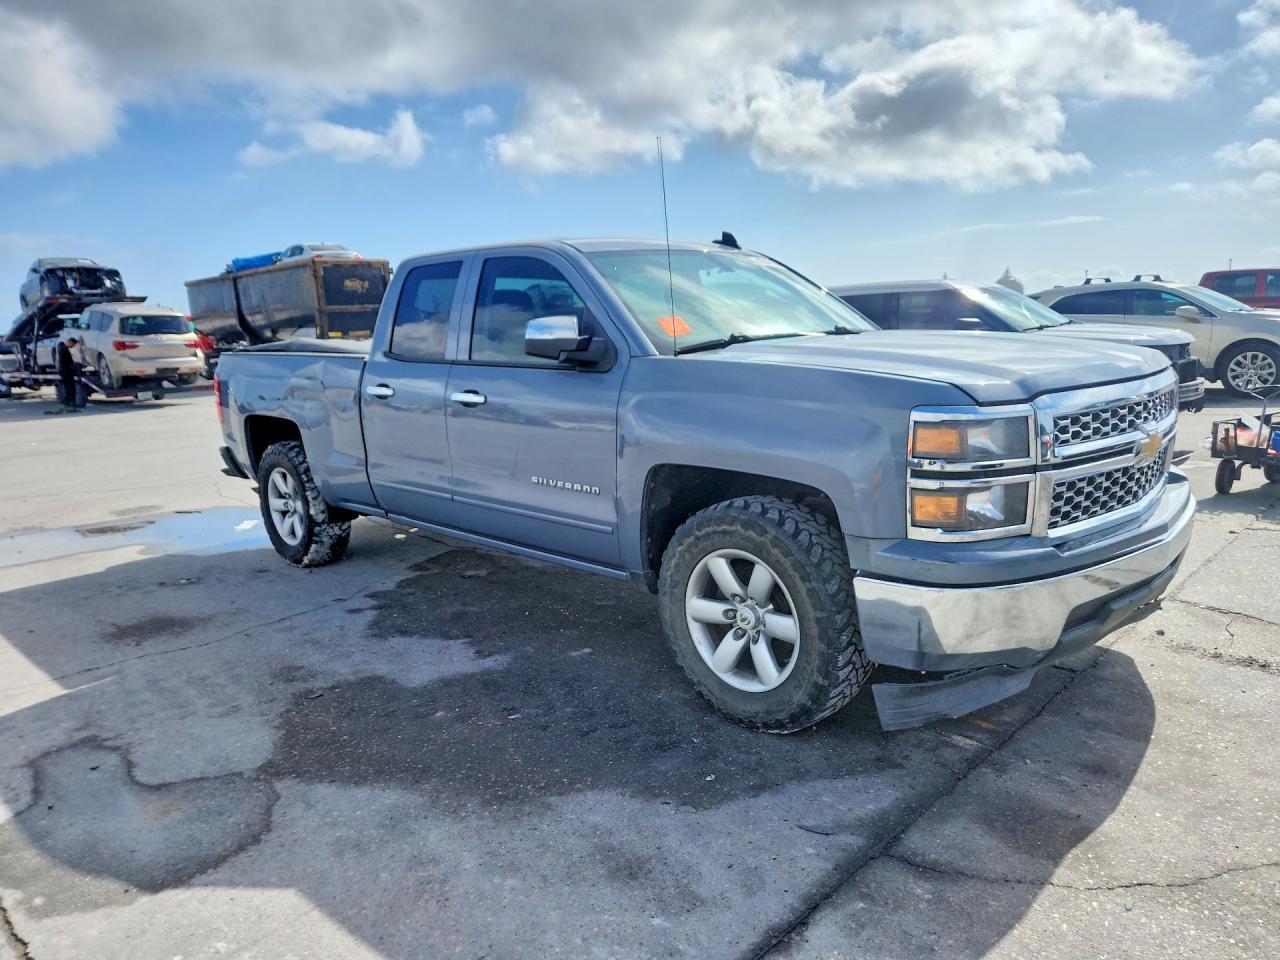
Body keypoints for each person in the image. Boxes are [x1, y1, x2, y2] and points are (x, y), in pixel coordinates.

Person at [56, 335, 83, 411]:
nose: (73, 346)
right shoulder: (64, 349)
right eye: (73, 345)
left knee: (68, 387)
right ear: (69, 342)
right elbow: (69, 362)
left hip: (65, 371)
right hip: (66, 371)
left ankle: (68, 401)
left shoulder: (62, 348)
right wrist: (74, 367)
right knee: (70, 387)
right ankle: (70, 402)